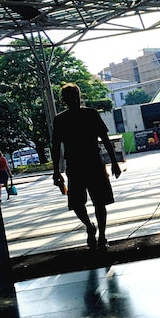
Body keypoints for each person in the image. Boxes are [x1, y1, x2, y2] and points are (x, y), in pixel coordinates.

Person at [52, 83, 122, 251]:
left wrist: (56, 171)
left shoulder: (61, 119)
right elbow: (105, 139)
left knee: (78, 203)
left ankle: (94, 229)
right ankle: (101, 235)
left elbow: (55, 146)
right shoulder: (89, 114)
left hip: (77, 165)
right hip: (93, 163)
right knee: (99, 202)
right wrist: (114, 162)